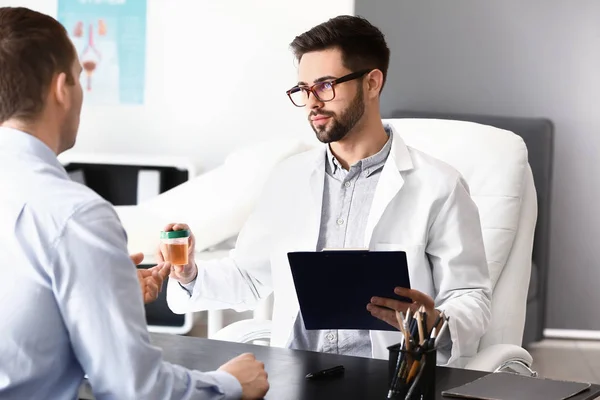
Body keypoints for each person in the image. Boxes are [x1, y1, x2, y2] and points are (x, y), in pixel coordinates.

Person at [164, 15, 492, 367]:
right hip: (297, 375)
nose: (312, 103)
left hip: (388, 376)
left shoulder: (438, 185)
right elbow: (249, 275)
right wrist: (189, 274)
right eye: (303, 89)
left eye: (325, 86)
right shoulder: (288, 178)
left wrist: (435, 321)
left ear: (372, 83)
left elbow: (470, 298)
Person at [0, 7, 268, 400]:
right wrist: (230, 383)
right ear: (62, 89)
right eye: (78, 79)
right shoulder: (77, 216)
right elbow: (134, 390)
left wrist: (105, 291)